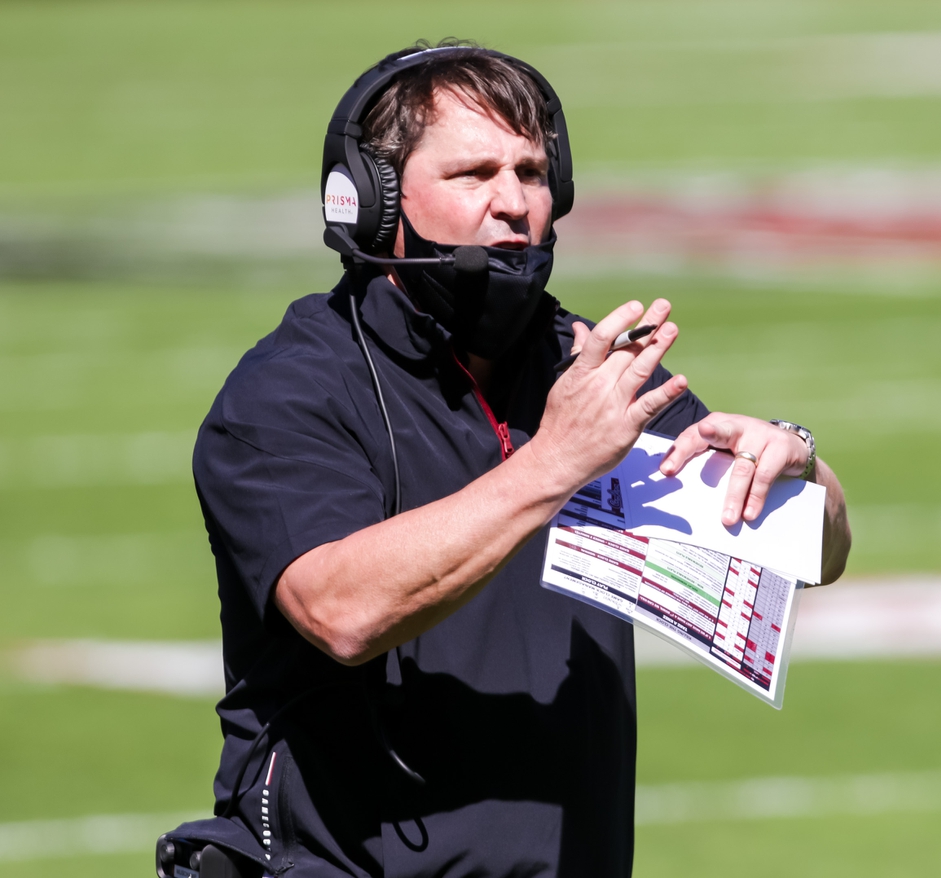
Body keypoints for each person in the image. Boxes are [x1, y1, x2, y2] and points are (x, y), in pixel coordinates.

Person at [164, 41, 850, 878]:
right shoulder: (290, 391)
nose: (513, 202)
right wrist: (553, 462)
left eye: (531, 172)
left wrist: (799, 468)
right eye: (473, 174)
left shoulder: (591, 367)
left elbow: (815, 557)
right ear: (378, 201)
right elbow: (342, 611)